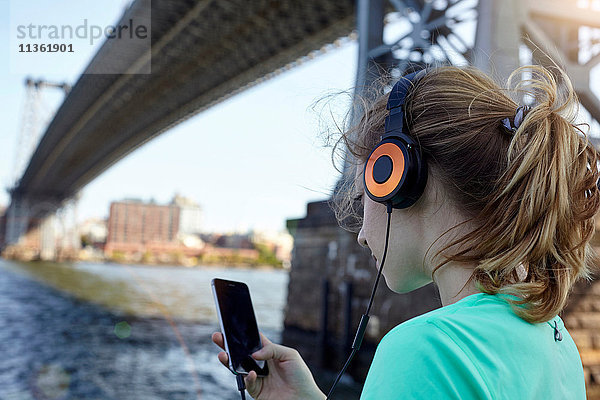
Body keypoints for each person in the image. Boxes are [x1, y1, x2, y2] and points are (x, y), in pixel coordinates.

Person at [212, 63, 599, 399]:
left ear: (394, 178)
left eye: (366, 196)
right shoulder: (552, 335)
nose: (362, 235)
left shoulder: (426, 349)